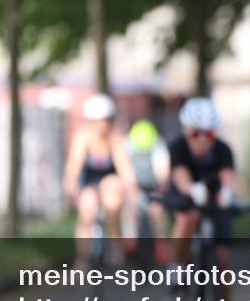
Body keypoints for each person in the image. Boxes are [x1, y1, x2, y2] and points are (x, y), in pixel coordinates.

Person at [165, 97, 238, 301]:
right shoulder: (178, 147)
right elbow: (180, 175)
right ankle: (177, 268)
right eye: (196, 134)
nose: (203, 140)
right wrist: (191, 189)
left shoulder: (223, 149)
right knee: (186, 219)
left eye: (209, 134)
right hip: (187, 197)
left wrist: (226, 191)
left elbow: (228, 176)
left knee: (223, 259)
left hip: (216, 201)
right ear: (187, 132)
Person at [62, 93, 137, 268]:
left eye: (105, 120)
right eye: (97, 120)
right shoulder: (82, 137)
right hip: (88, 184)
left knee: (112, 194)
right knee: (87, 209)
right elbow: (74, 166)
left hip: (110, 185)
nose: (101, 125)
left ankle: (114, 243)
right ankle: (83, 258)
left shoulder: (115, 137)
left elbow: (124, 168)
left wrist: (132, 187)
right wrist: (70, 186)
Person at [127, 119, 172, 266]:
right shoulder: (127, 144)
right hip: (134, 185)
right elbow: (125, 168)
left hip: (153, 186)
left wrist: (160, 184)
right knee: (131, 204)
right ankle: (130, 237)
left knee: (157, 209)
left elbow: (162, 171)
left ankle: (162, 242)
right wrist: (132, 186)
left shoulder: (158, 145)